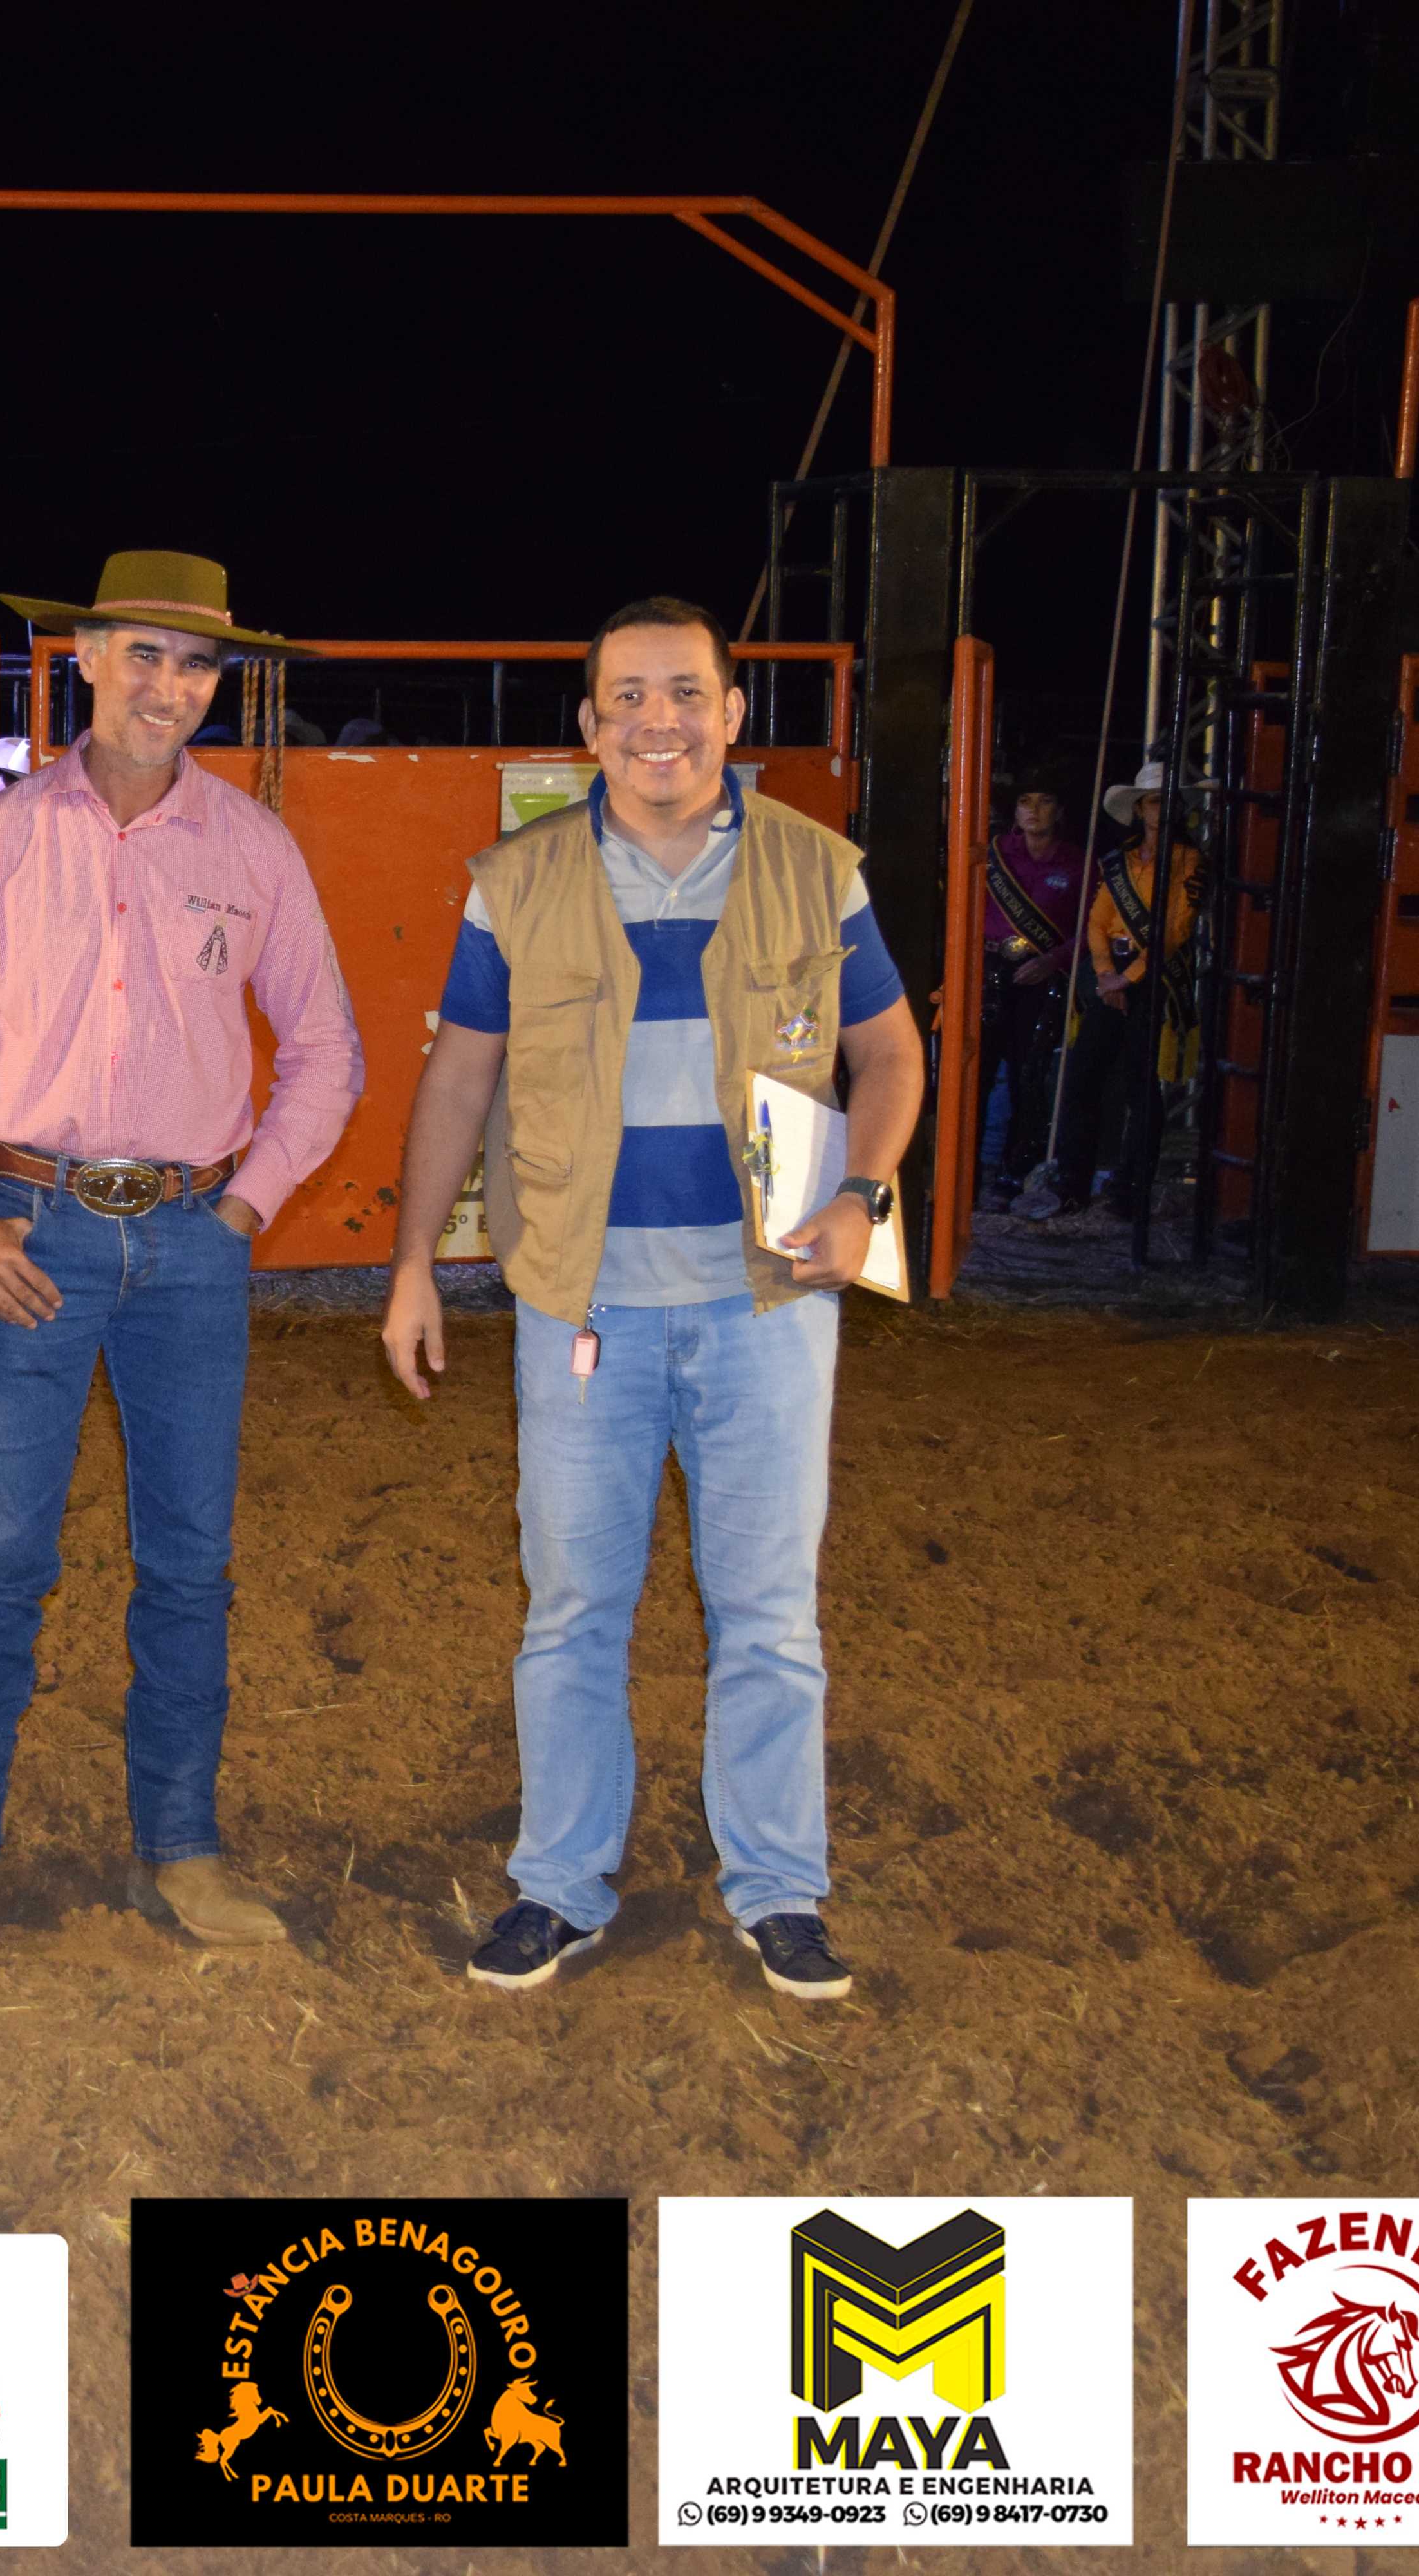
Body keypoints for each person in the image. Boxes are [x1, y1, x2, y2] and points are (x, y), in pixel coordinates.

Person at [375, 597, 921, 2004]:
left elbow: (890, 1051)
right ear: (589, 725)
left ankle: (779, 1888)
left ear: (732, 714)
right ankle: (559, 1883)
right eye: (626, 697)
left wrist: (863, 1194)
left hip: (766, 1308)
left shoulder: (816, 869)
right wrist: (414, 1261)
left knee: (770, 1614)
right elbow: (460, 1074)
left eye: (685, 693)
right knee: (571, 1608)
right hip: (582, 1307)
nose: (656, 721)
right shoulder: (517, 882)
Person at [0, 550, 362, 1951]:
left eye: (196, 664)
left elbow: (327, 1047)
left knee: (191, 1559)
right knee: (4, 1548)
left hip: (195, 1237)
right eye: (145, 653)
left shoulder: (254, 849)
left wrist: (248, 1206)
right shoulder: (0, 845)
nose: (170, 686)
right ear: (83, 657)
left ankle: (183, 1848)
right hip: (35, 1231)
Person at [1024, 760, 1201, 1222]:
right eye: (1154, 801)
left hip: (1155, 978)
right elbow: (1097, 921)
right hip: (1110, 977)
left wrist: (1129, 977)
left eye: (1169, 801)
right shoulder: (1119, 862)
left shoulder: (1191, 863)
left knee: (1141, 1085)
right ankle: (1072, 1187)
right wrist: (1106, 974)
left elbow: (1176, 930)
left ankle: (1130, 1192)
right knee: (1082, 1077)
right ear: (1140, 809)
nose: (1161, 810)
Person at [980, 788, 1081, 1192]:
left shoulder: (1078, 862)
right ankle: (968, 1172)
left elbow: (1092, 927)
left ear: (1061, 810)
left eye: (1045, 801)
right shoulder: (993, 854)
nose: (1034, 810)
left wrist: (1052, 962)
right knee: (978, 1072)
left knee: (1029, 1075)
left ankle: (1016, 1172)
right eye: (1026, 801)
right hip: (988, 971)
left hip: (1043, 978)